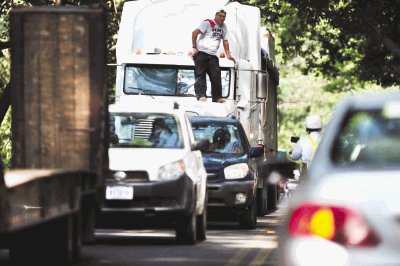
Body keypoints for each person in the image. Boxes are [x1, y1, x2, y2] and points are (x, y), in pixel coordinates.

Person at [191, 8, 235, 103]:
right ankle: (201, 95)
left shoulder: (223, 27)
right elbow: (194, 33)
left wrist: (228, 54)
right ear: (216, 16)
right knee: (200, 74)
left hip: (212, 54)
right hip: (201, 52)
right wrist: (194, 47)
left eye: (224, 16)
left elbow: (225, 41)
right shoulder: (208, 23)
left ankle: (217, 97)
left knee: (216, 75)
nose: (222, 18)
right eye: (220, 16)